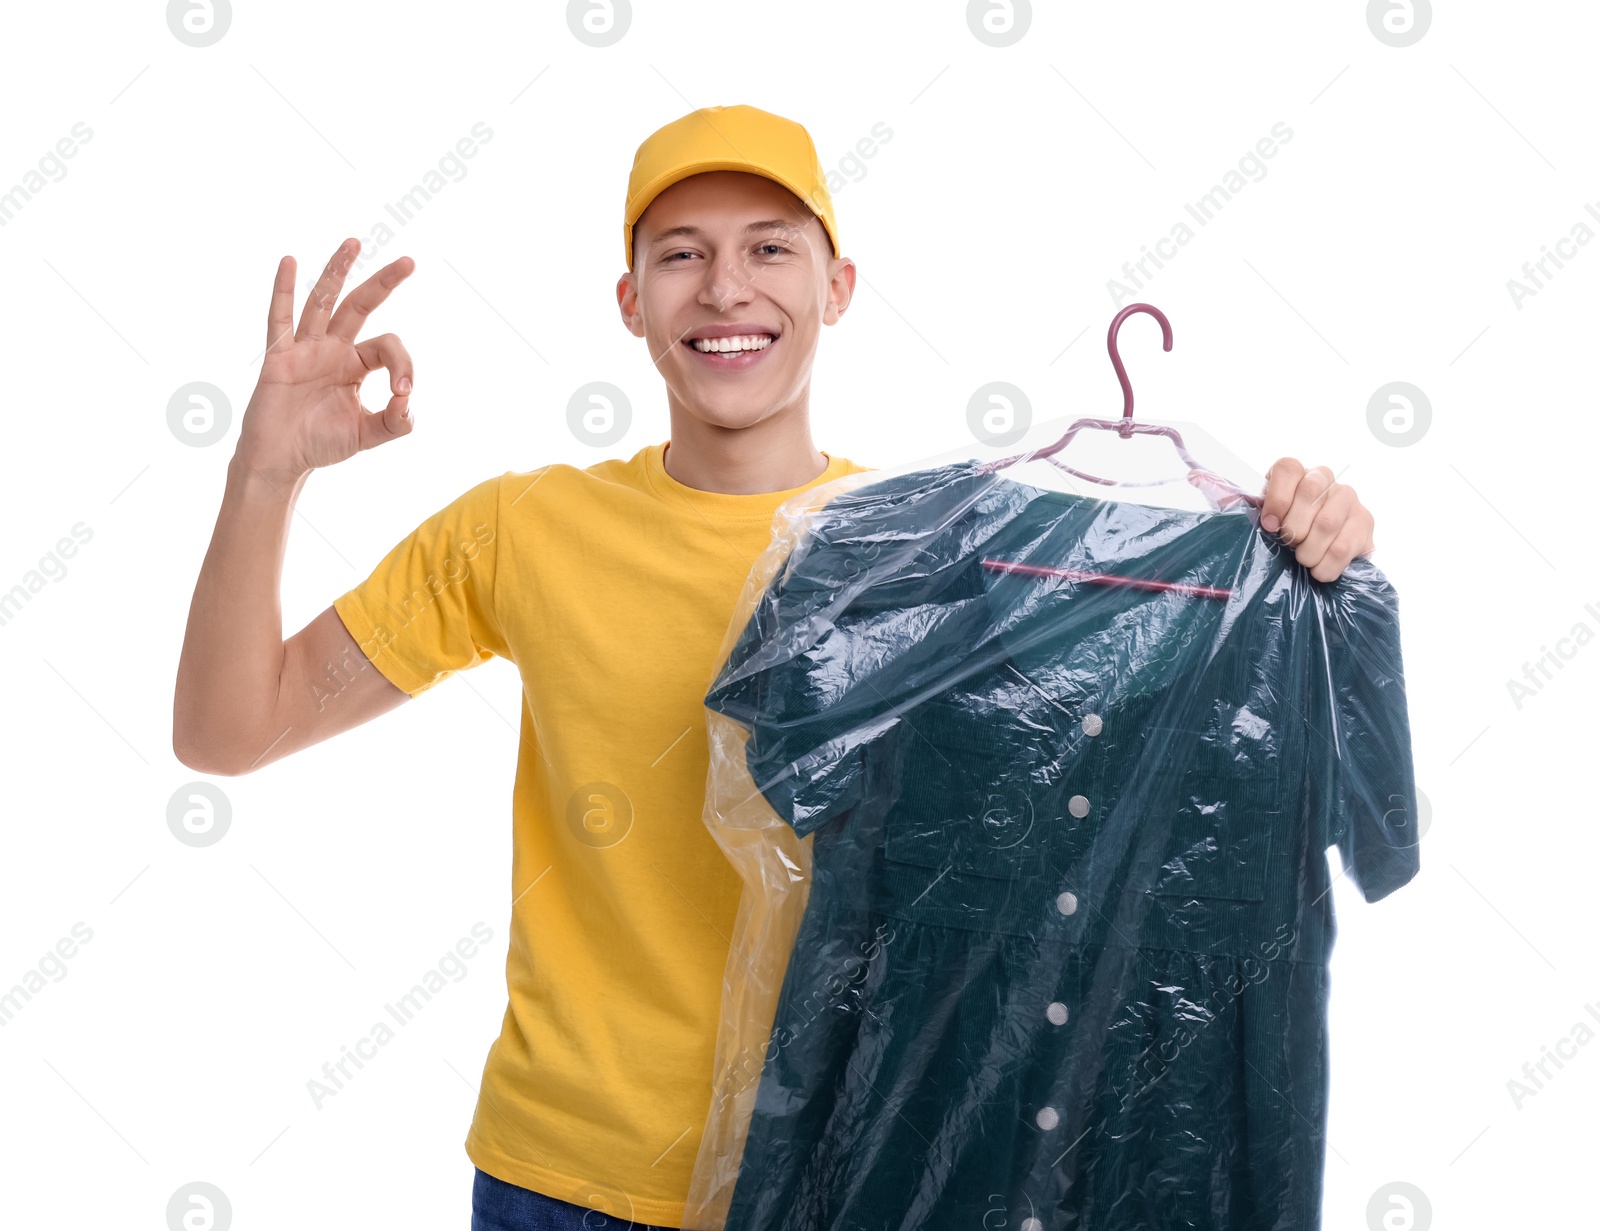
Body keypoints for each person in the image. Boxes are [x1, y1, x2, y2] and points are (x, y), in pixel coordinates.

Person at [172, 104, 1380, 1231]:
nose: (726, 289)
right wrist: (266, 472)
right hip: (564, 1175)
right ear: (629, 301)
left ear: (837, 286)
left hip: (850, 1169)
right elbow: (231, 731)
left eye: (770, 248)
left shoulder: (931, 557)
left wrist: (1292, 561)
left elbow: (1112, 786)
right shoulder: (520, 531)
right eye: (681, 255)